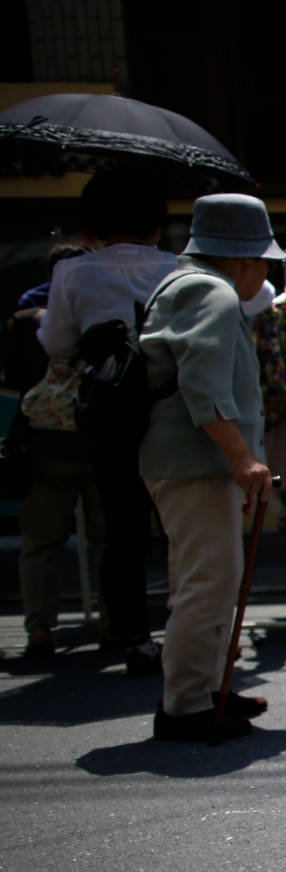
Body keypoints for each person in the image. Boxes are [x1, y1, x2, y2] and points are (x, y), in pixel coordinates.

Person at [138, 193, 277, 742]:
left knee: (204, 579)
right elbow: (202, 382)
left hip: (189, 461)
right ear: (242, 257)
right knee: (210, 581)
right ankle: (186, 704)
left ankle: (206, 688)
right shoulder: (211, 291)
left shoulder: (184, 284)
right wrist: (241, 456)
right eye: (263, 260)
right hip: (197, 462)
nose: (265, 271)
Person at [38, 169, 180, 674]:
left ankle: (131, 631)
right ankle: (185, 630)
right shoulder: (181, 268)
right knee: (183, 524)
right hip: (176, 407)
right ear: (156, 223)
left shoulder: (73, 273)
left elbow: (56, 345)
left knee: (122, 527)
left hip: (112, 409)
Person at [11, 242, 99, 660]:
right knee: (109, 538)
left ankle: (40, 627)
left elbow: (12, 382)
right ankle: (118, 624)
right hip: (99, 439)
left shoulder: (26, 320)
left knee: (41, 542)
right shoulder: (103, 312)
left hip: (44, 440)